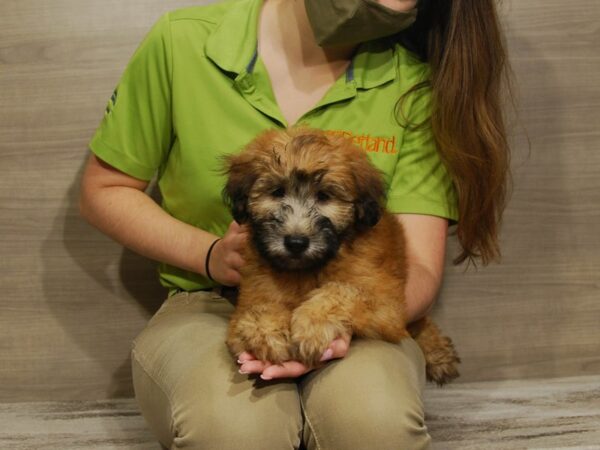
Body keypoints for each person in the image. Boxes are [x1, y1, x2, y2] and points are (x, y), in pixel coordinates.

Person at [79, 0, 511, 448]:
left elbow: (417, 269)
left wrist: (341, 323)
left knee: (373, 423)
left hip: (355, 301)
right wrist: (209, 255)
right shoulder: (182, 41)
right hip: (210, 302)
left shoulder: (412, 87)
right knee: (234, 429)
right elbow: (103, 191)